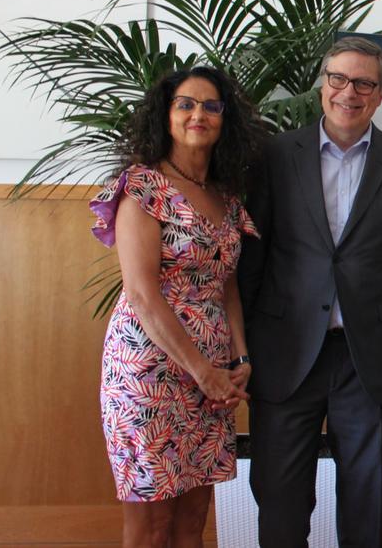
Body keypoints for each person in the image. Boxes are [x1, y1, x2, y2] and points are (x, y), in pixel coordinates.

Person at [238, 37, 382, 546]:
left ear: (381, 93)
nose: (349, 91)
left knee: (367, 505)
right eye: (339, 79)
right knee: (279, 501)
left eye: (365, 82)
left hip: (371, 359)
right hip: (284, 355)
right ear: (322, 84)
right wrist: (243, 351)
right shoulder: (275, 155)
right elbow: (252, 260)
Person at [90, 66, 264, 546]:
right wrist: (202, 370)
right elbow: (143, 296)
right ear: (164, 116)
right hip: (150, 370)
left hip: (213, 374)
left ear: (225, 119)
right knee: (151, 526)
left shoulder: (226, 198)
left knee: (193, 519)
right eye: (185, 103)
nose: (198, 114)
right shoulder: (142, 187)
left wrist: (239, 358)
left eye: (211, 105)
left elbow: (225, 284)